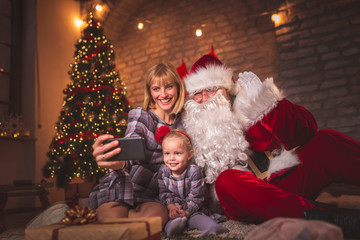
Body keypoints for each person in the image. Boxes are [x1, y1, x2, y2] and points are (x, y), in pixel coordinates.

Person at [182, 54, 360, 238]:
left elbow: (306, 132)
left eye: (210, 89)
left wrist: (270, 106)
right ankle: (332, 219)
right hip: (245, 200)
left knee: (325, 141)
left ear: (227, 86)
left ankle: (305, 212)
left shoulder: (251, 102)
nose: (204, 98)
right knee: (226, 180)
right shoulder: (190, 127)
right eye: (197, 92)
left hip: (283, 187)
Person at [89, 63, 185, 227]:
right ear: (150, 92)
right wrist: (119, 160)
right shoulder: (142, 115)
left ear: (178, 88)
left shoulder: (185, 122)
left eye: (169, 87)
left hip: (151, 195)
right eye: (156, 89)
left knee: (151, 222)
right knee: (111, 225)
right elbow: (133, 136)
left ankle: (130, 216)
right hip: (123, 185)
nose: (163, 94)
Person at [155, 125, 229, 237]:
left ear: (189, 154)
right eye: (167, 153)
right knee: (170, 225)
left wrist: (186, 212)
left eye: (177, 153)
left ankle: (214, 228)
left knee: (200, 219)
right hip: (174, 210)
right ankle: (175, 226)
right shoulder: (163, 171)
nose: (171, 158)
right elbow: (164, 193)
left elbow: (197, 198)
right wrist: (172, 207)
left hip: (193, 210)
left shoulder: (194, 171)